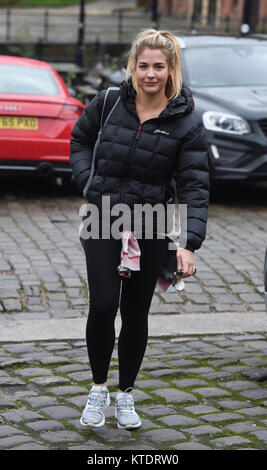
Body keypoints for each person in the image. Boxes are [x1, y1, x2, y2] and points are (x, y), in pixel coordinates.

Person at [69, 29, 209, 430]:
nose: (150, 74)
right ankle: (98, 389)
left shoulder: (186, 122)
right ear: (134, 66)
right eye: (143, 65)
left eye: (158, 67)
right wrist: (87, 180)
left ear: (171, 70)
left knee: (135, 313)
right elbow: (79, 138)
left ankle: (125, 393)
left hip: (150, 224)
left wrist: (189, 244)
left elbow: (195, 186)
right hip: (103, 218)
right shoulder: (111, 102)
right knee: (102, 305)